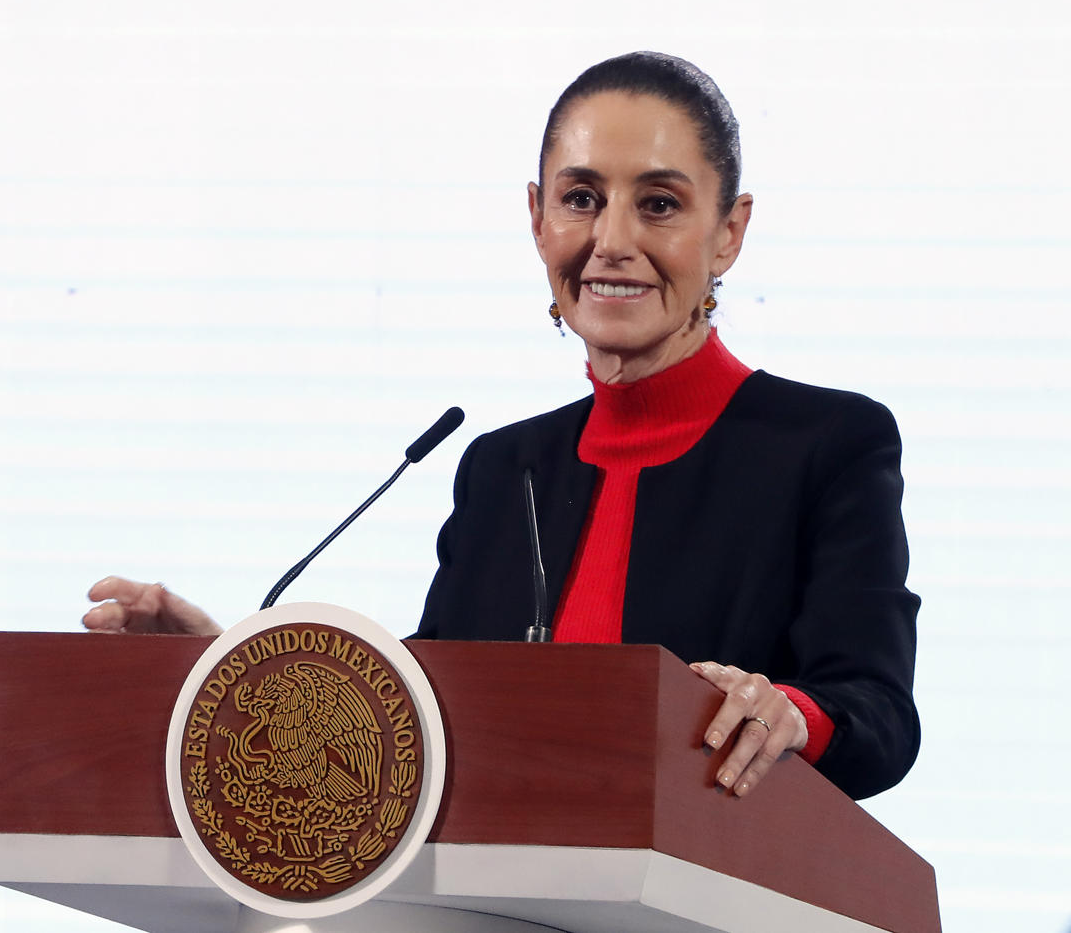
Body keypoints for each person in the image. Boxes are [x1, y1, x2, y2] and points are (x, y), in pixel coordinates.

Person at [85, 53, 919, 803]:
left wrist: (788, 715)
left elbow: (878, 715)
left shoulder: (828, 445)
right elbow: (418, 709)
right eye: (581, 199)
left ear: (728, 233)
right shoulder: (502, 468)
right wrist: (238, 674)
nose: (612, 240)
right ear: (537, 218)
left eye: (659, 204)